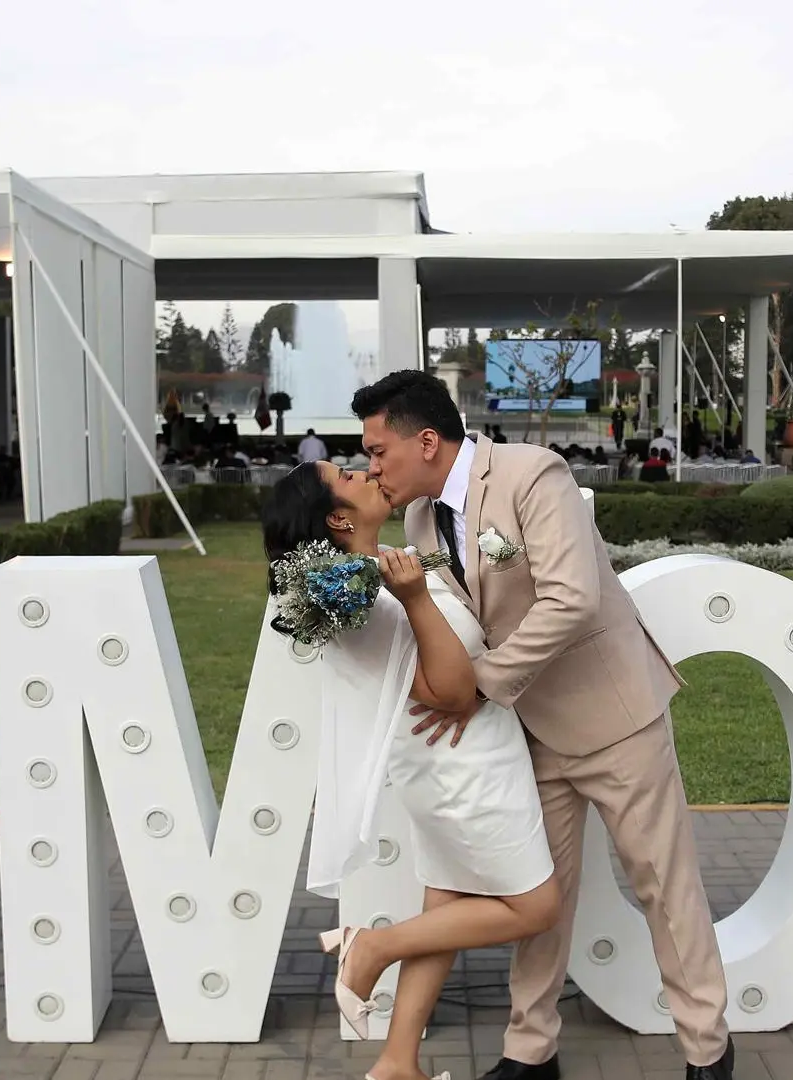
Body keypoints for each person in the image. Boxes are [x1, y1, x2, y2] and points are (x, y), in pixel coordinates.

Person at [356, 371, 734, 1080]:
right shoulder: (416, 523)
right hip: (527, 736)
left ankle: (707, 1049)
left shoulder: (534, 474)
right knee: (539, 898)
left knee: (663, 885)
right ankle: (531, 1053)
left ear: (427, 440)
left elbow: (572, 599)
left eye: (379, 450)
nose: (373, 466)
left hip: (614, 716)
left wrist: (481, 689)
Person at [264, 462, 560, 1080]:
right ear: (338, 518)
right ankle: (370, 946)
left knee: (448, 904)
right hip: (467, 769)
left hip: (449, 765)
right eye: (346, 474)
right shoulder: (365, 592)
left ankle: (398, 1063)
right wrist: (419, 596)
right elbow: (450, 692)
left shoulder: (373, 573)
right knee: (534, 909)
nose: (366, 470)